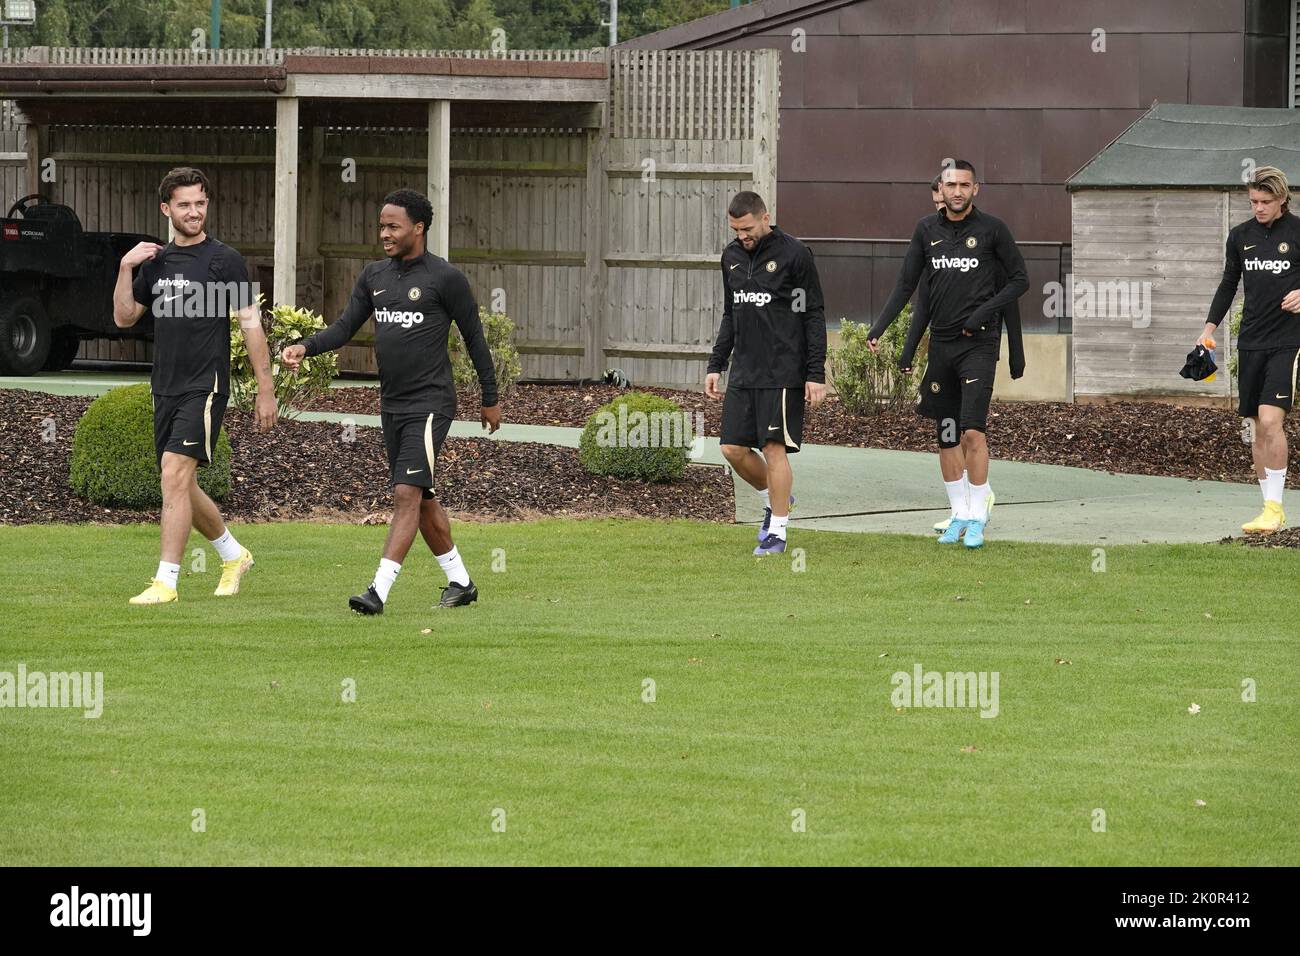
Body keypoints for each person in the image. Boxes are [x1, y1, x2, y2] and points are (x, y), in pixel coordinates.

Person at [282, 189, 501, 611]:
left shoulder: (445, 278)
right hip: (392, 404)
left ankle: (377, 591)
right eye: (381, 225)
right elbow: (345, 327)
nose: (384, 233)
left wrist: (489, 398)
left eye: (393, 226)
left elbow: (474, 339)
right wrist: (304, 347)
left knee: (405, 493)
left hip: (431, 403)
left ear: (418, 229)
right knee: (422, 496)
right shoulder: (373, 276)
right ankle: (461, 583)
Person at [113, 166, 275, 605]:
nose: (194, 212)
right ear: (166, 208)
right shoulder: (157, 261)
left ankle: (166, 581)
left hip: (206, 384)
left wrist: (265, 388)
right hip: (164, 385)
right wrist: (126, 267)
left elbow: (250, 323)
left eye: (200, 203)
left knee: (173, 473)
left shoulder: (224, 260)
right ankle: (232, 553)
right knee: (180, 483)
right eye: (184, 204)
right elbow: (124, 317)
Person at [868, 161, 1027, 548]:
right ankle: (958, 514)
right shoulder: (926, 230)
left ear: (976, 189)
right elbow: (908, 286)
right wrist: (881, 327)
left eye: (965, 185)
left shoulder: (993, 230)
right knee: (946, 433)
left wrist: (984, 314)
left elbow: (1021, 280)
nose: (957, 191)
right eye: (951, 185)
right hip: (941, 345)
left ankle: (977, 514)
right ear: (941, 187)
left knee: (972, 429)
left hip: (978, 343)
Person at [705, 191, 827, 555]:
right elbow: (731, 313)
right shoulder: (731, 257)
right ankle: (777, 500)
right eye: (735, 229)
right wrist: (716, 364)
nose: (742, 235)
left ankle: (778, 531)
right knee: (731, 449)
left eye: (747, 228)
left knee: (773, 449)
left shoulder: (795, 254)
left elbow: (814, 313)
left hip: (782, 371)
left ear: (765, 217)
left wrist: (815, 372)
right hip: (744, 371)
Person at [1199, 165, 1300, 534]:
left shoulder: (1298, 231)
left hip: (1288, 342)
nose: (1258, 207)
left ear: (1282, 199)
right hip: (1251, 341)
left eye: (1266, 201)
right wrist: (1208, 330)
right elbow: (1228, 284)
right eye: (1254, 201)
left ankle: (1275, 507)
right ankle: (1268, 508)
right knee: (1256, 428)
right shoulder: (1240, 236)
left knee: (1273, 421)